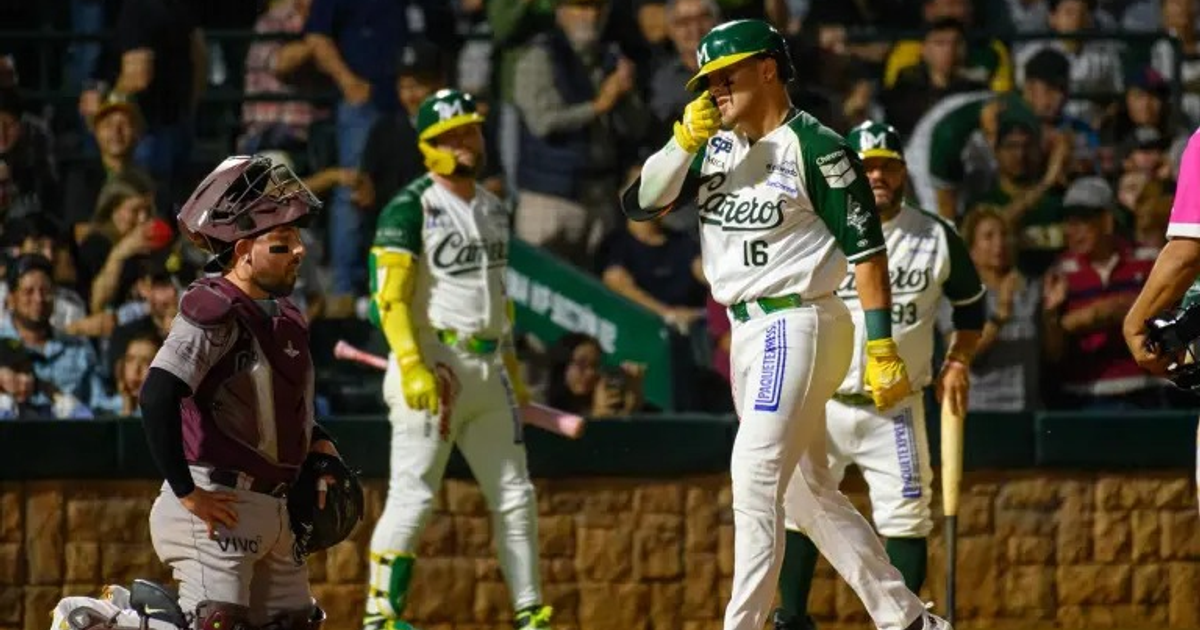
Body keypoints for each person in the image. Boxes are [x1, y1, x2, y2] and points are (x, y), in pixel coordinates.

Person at [620, 19, 952, 630]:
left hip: (798, 318)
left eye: (726, 76)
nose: (714, 90)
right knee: (808, 492)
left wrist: (881, 343)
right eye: (707, 82)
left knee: (753, 473)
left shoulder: (818, 146)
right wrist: (680, 144)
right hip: (745, 330)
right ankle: (909, 620)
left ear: (767, 68)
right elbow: (640, 203)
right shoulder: (712, 143)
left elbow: (866, 249)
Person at [774, 122, 985, 630]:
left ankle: (904, 623)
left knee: (907, 518)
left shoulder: (935, 235)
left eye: (887, 165)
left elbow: (972, 311)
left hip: (895, 405)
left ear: (903, 170)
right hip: (821, 398)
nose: (877, 175)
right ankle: (792, 619)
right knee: (797, 512)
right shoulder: (817, 229)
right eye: (866, 166)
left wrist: (957, 361)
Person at [362, 88, 550, 630]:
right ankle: (380, 614)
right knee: (414, 494)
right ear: (427, 145)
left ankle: (530, 610)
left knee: (516, 496)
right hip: (434, 362)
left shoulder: (492, 208)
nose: (465, 143)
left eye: (469, 131)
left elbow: (500, 297)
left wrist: (513, 370)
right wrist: (412, 363)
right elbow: (388, 298)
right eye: (451, 136)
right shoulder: (408, 206)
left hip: (489, 368)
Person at [137, 155, 343, 627]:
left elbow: (280, 402)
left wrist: (319, 441)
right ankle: (98, 621)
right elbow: (156, 395)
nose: (298, 252)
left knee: (294, 622)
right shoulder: (213, 307)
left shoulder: (284, 317)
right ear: (244, 251)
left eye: (296, 241)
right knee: (217, 620)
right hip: (216, 501)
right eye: (281, 243)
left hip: (272, 506)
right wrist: (188, 493)